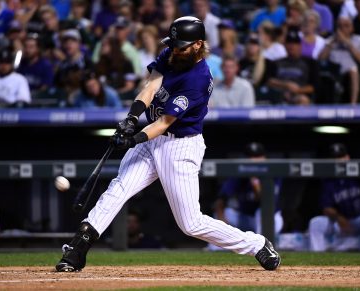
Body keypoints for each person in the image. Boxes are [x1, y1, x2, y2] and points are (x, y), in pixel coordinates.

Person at [55, 16, 281, 273]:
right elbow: (150, 86)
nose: (175, 49)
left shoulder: (198, 78)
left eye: (182, 46)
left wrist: (133, 137)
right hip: (152, 140)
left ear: (198, 44)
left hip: (180, 147)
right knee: (119, 188)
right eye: (173, 44)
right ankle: (78, 247)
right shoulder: (172, 54)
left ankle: (257, 244)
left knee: (191, 223)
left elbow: (164, 122)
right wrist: (131, 118)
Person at [206, 143, 284, 251]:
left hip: (270, 219)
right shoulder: (240, 173)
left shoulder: (272, 172)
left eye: (257, 156)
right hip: (246, 218)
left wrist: (255, 182)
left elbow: (265, 201)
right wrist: (222, 222)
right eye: (250, 156)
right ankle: (214, 249)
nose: (254, 160)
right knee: (226, 212)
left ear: (264, 157)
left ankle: (262, 249)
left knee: (261, 212)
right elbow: (220, 200)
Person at [308, 143, 360, 252]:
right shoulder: (328, 181)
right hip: (341, 221)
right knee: (316, 223)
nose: (339, 161)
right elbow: (326, 207)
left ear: (348, 157)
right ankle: (317, 258)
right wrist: (339, 218)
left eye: (341, 157)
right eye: (335, 158)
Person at [319, 16, 360, 104]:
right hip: (334, 70)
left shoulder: (359, 40)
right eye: (340, 26)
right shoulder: (331, 40)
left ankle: (353, 105)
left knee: (353, 70)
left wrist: (347, 42)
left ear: (352, 28)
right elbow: (321, 59)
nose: (342, 29)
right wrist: (332, 43)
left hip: (352, 71)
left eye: (346, 26)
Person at [267, 29, 319, 105]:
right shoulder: (276, 62)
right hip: (278, 95)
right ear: (285, 45)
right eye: (289, 43)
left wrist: (297, 90)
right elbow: (270, 81)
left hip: (299, 96)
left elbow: (314, 86)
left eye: (295, 43)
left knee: (303, 100)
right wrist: (286, 85)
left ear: (300, 46)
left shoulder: (310, 62)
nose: (291, 46)